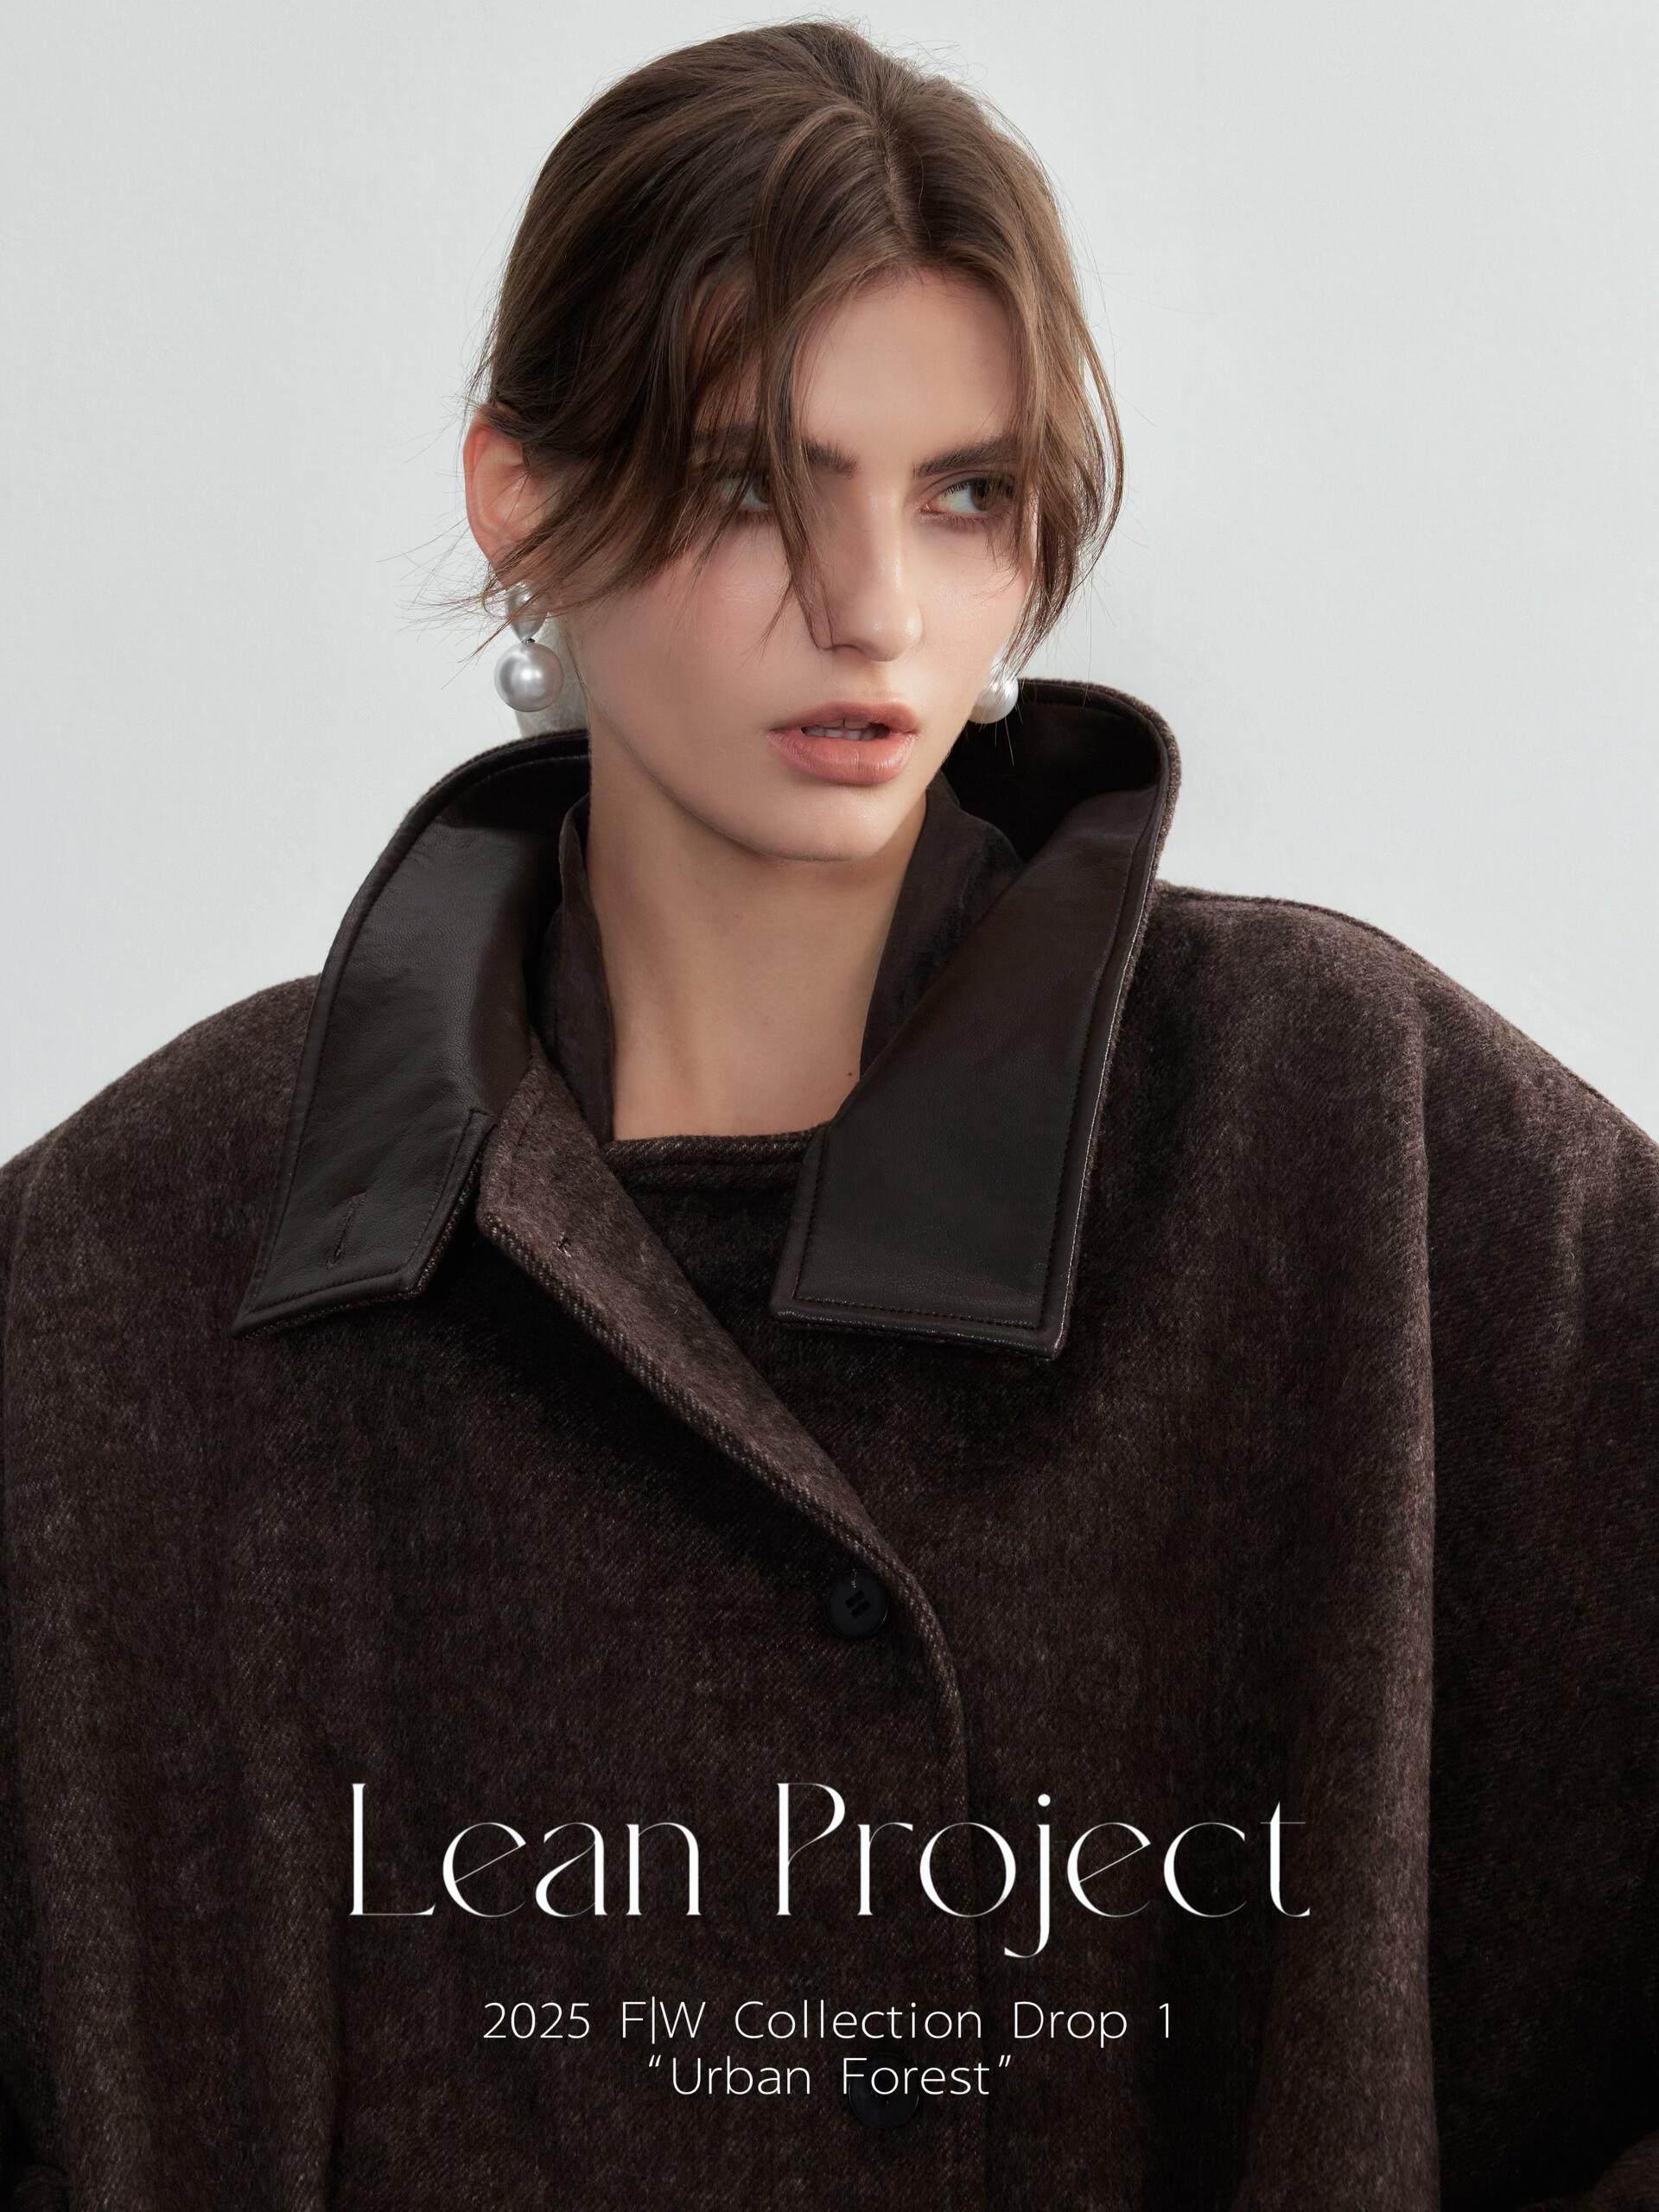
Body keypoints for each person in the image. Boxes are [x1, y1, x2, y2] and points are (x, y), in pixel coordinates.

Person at [1, 22, 1653, 2212]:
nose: (874, 604)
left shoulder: (1352, 1134)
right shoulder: (132, 1263)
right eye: (750, 487)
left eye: (965, 492)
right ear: (520, 497)